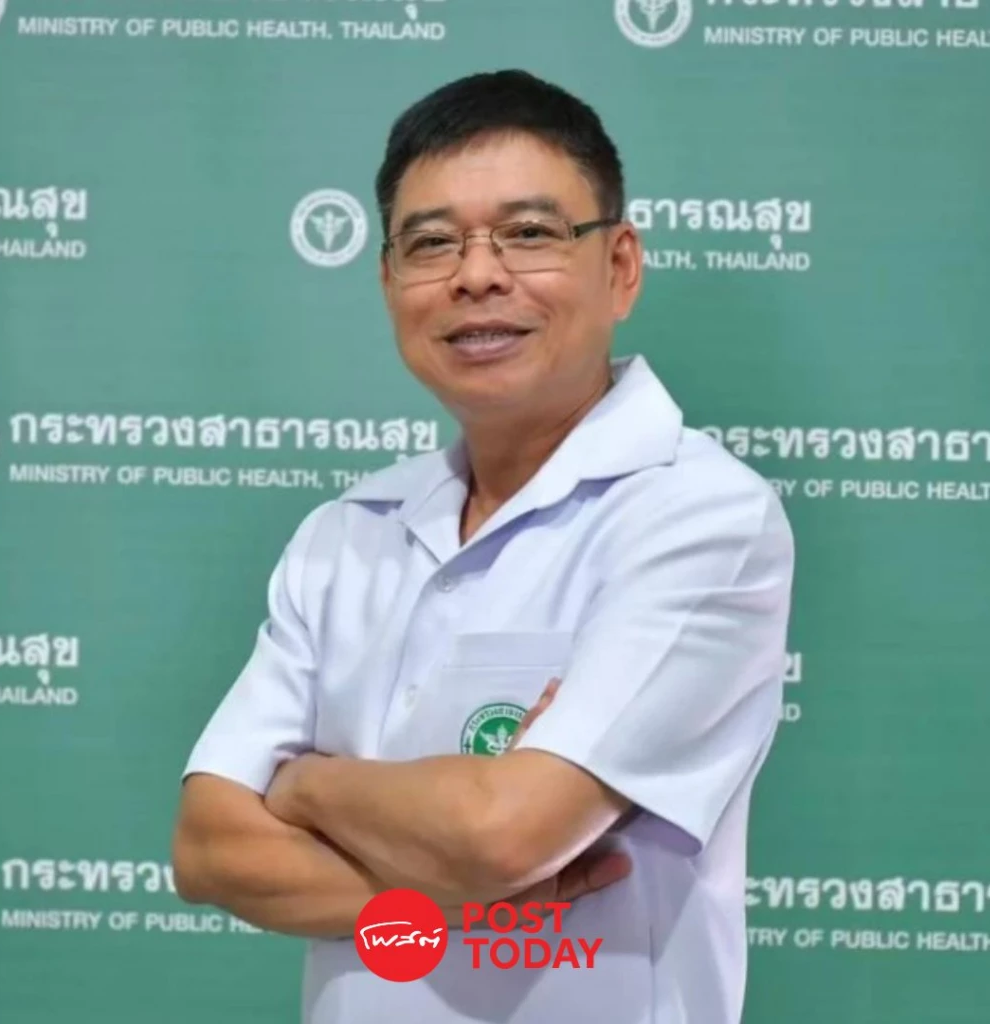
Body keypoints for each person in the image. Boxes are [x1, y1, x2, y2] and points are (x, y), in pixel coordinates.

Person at [171, 69, 795, 1023]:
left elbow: (504, 836)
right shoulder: (347, 534)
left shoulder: (698, 516)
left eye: (529, 233)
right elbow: (209, 850)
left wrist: (303, 785)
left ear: (621, 266)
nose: (476, 275)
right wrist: (443, 903)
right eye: (431, 244)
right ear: (388, 281)